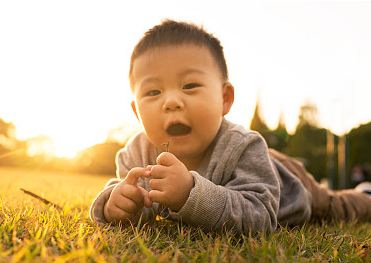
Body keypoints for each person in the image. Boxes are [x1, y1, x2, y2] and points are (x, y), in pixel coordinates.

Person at [90, 20, 371, 234]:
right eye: (153, 92)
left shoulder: (243, 146)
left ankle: (366, 195)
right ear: (136, 111)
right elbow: (131, 202)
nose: (171, 102)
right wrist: (116, 205)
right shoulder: (136, 153)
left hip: (287, 181)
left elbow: (259, 216)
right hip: (259, 160)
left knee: (336, 207)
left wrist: (190, 193)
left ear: (225, 99)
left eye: (189, 86)